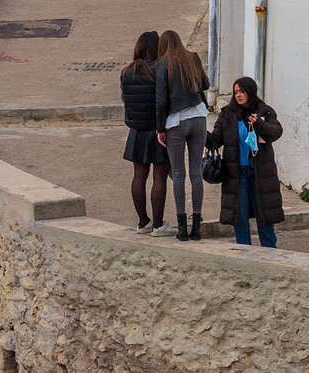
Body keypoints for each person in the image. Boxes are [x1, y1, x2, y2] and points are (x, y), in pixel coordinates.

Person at [205, 76, 283, 249]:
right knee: (239, 216)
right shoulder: (227, 114)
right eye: (235, 92)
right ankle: (244, 251)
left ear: (251, 91)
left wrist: (258, 125)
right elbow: (216, 140)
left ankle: (270, 252)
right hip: (237, 174)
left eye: (242, 91)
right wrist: (199, 133)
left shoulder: (265, 112)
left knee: (264, 215)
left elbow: (275, 132)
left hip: (260, 173)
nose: (238, 95)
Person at [155, 28, 209, 242]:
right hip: (198, 118)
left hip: (175, 122)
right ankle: (197, 225)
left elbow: (160, 101)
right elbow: (205, 84)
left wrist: (160, 128)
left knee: (178, 174)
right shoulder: (193, 58)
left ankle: (181, 228)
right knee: (196, 174)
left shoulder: (162, 64)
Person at [119, 30, 169, 231]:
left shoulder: (126, 72)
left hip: (136, 130)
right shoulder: (160, 70)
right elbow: (164, 101)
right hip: (158, 130)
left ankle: (143, 222)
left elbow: (125, 100)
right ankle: (158, 224)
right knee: (160, 177)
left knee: (139, 176)